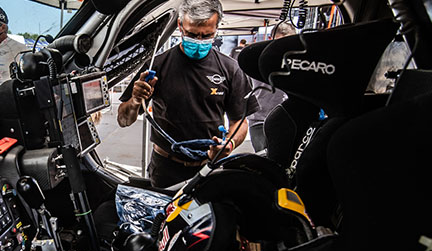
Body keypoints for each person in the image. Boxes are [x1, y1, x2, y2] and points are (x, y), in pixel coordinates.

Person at [117, 0, 259, 188]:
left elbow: (239, 122)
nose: (199, 41)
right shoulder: (156, 66)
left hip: (208, 167)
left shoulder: (230, 69)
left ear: (216, 29)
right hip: (166, 168)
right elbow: (124, 120)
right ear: (180, 26)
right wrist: (135, 100)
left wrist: (229, 144)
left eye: (207, 35)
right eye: (192, 34)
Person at [246, 22, 297, 151]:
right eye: (279, 42)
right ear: (270, 39)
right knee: (264, 157)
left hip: (288, 119)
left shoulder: (297, 61)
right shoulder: (255, 58)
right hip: (260, 120)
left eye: (289, 42)